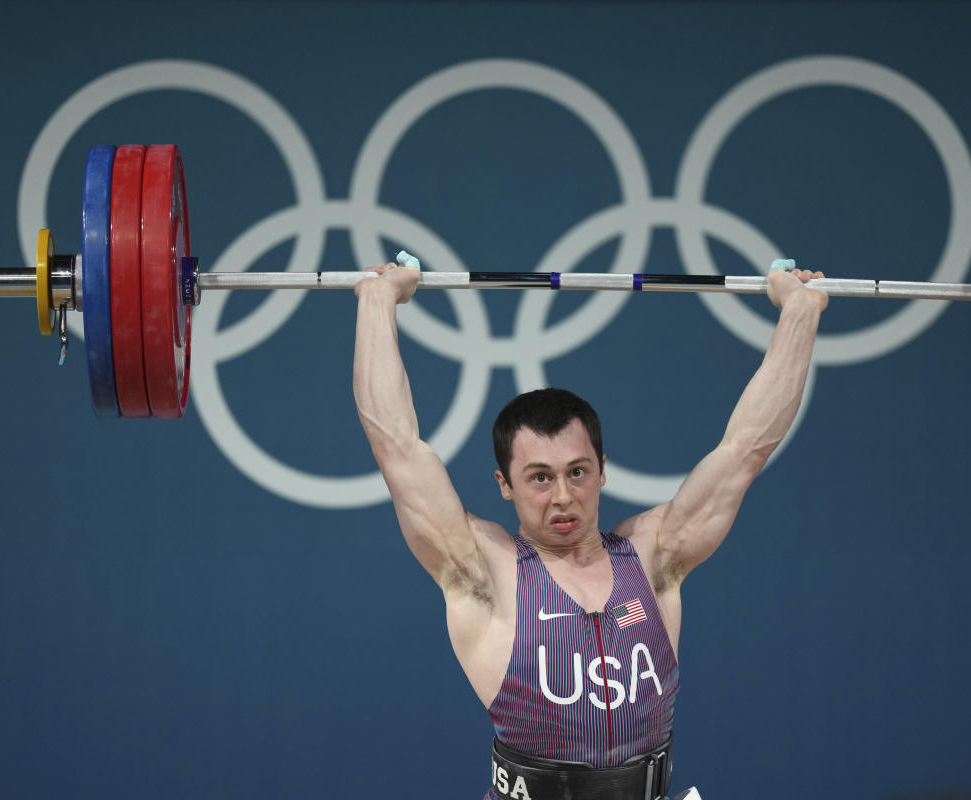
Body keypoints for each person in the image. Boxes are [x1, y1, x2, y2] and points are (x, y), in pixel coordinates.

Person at [353, 261, 827, 800]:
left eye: (576, 472)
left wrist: (799, 312)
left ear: (602, 469)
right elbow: (396, 448)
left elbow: (745, 450)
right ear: (504, 485)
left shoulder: (653, 555)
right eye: (538, 477)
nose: (562, 495)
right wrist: (377, 300)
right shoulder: (483, 570)